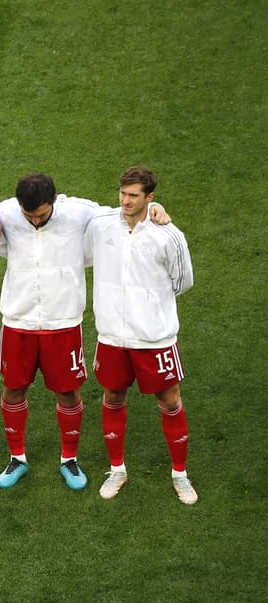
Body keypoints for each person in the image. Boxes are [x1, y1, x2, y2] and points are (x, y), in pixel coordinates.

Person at [0, 173, 171, 491]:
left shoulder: (80, 212)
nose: (35, 219)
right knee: (13, 389)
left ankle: (69, 459)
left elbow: (125, 212)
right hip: (18, 322)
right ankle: (17, 458)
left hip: (63, 323)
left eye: (41, 214)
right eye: (28, 215)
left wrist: (157, 212)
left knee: (68, 392)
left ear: (54, 201)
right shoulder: (6, 211)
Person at [84, 166, 195, 504]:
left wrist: (148, 305)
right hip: (112, 337)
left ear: (150, 197)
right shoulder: (102, 225)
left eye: (134, 196)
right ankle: (117, 469)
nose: (125, 201)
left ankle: (180, 475)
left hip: (154, 339)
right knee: (113, 396)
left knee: (169, 400)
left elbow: (183, 281)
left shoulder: (168, 235)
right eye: (123, 194)